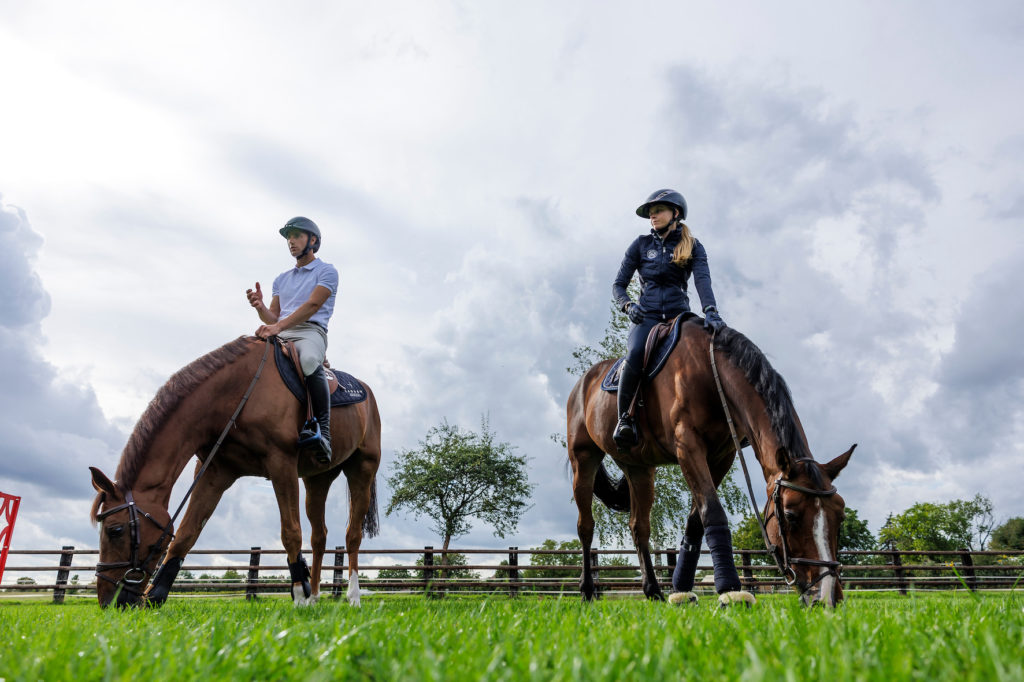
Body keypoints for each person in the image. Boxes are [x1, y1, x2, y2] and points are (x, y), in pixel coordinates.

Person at [611, 189, 725, 452]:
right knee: (636, 353)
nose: (653, 216)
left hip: (679, 316)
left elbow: (702, 281)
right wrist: (628, 306)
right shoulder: (639, 245)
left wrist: (710, 310)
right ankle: (624, 420)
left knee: (707, 352)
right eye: (650, 212)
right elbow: (618, 285)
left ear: (675, 214)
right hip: (647, 316)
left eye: (658, 210)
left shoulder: (693, 246)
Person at [246, 217, 339, 464]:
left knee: (309, 361)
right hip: (281, 330)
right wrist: (260, 307)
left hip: (310, 331)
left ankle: (325, 434)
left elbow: (312, 305)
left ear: (313, 240)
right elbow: (274, 316)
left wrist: (277, 326)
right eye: (289, 237)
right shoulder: (281, 279)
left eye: (296, 236)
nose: (291, 242)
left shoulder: (327, 271)